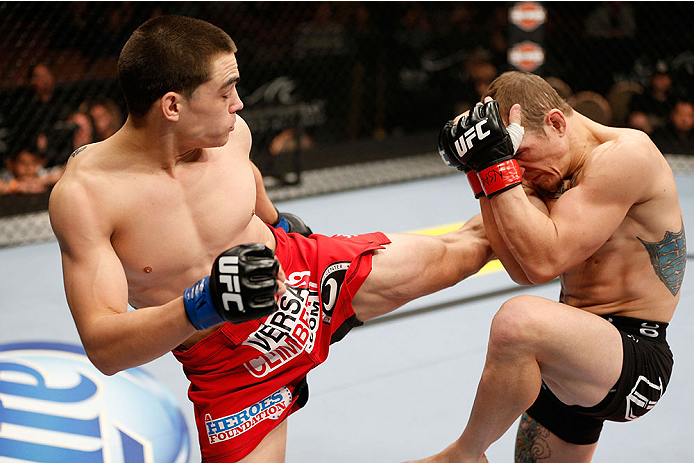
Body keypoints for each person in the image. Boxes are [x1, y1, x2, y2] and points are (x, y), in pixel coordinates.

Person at [48, 15, 493, 463]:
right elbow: (103, 345)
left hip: (299, 274)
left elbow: (247, 174)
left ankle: (530, 182)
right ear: (172, 106)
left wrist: (278, 221)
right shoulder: (87, 197)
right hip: (229, 362)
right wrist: (203, 303)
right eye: (225, 92)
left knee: (466, 251)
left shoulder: (231, 134)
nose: (239, 105)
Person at [419, 71, 683, 462]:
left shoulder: (626, 155)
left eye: (519, 156)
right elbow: (521, 267)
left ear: (556, 123)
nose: (519, 173)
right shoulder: (542, 168)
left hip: (634, 354)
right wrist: (483, 171)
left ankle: (465, 454)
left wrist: (496, 168)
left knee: (517, 322)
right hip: (567, 352)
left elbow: (546, 261)